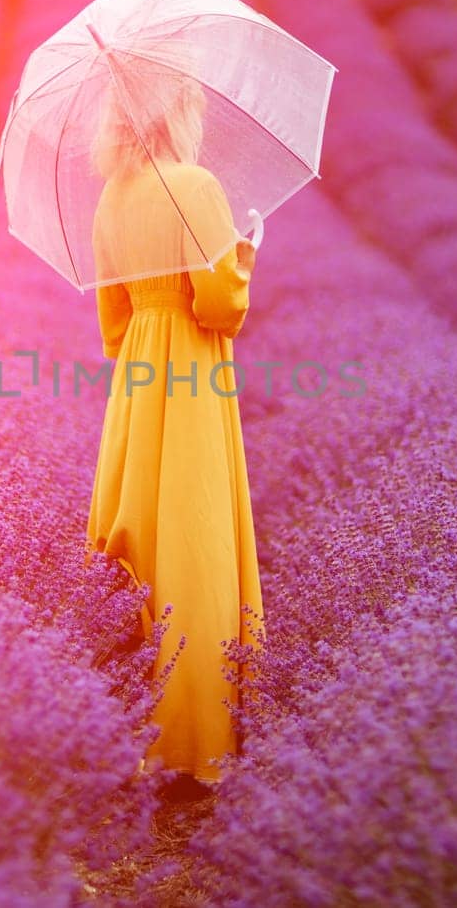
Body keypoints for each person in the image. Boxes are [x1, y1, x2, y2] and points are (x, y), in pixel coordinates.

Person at [83, 61, 265, 790]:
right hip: (190, 375)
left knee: (144, 537)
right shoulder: (195, 187)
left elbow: (112, 324)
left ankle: (133, 729)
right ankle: (198, 741)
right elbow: (221, 308)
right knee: (194, 539)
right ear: (175, 113)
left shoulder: (110, 200)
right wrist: (247, 253)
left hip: (137, 381)